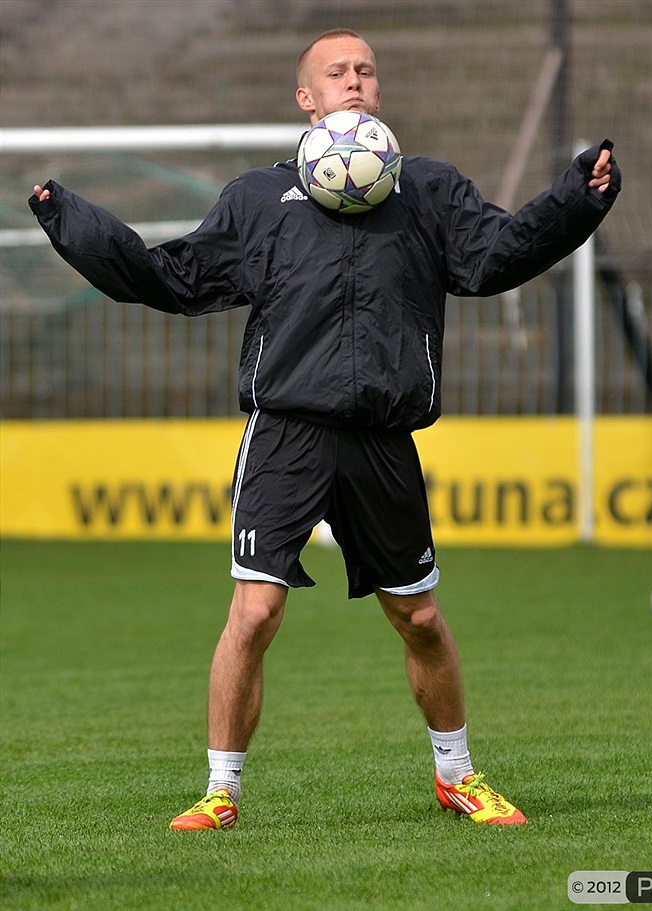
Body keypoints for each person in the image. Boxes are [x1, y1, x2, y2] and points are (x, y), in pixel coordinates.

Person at [30, 28, 620, 830]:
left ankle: (457, 775)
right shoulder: (256, 199)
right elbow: (170, 277)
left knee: (418, 616)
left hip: (382, 437)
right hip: (285, 432)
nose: (355, 82)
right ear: (306, 98)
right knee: (255, 611)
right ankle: (220, 792)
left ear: (378, 91)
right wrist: (71, 220)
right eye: (336, 73)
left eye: (366, 71)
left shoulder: (429, 190)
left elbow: (498, 255)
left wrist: (574, 199)